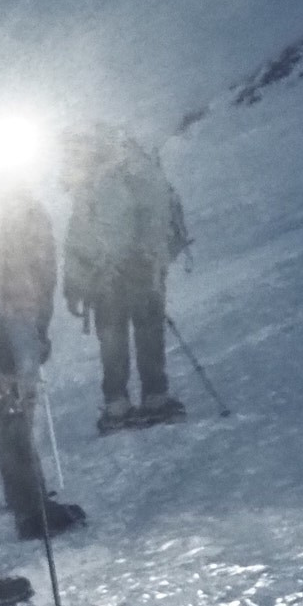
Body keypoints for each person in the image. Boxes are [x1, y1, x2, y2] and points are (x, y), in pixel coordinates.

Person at [0, 184, 86, 541]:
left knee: (4, 415)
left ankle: (21, 503)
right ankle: (29, 510)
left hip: (1, 323)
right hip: (6, 323)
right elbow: (40, 269)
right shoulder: (20, 210)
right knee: (9, 416)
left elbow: (40, 269)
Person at [59, 124, 190, 431]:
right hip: (138, 271)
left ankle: (120, 404)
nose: (68, 160)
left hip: (114, 274)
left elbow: (88, 236)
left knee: (115, 336)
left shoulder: (108, 180)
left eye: (73, 152)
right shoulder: (121, 174)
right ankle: (153, 398)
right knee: (143, 332)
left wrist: (79, 280)